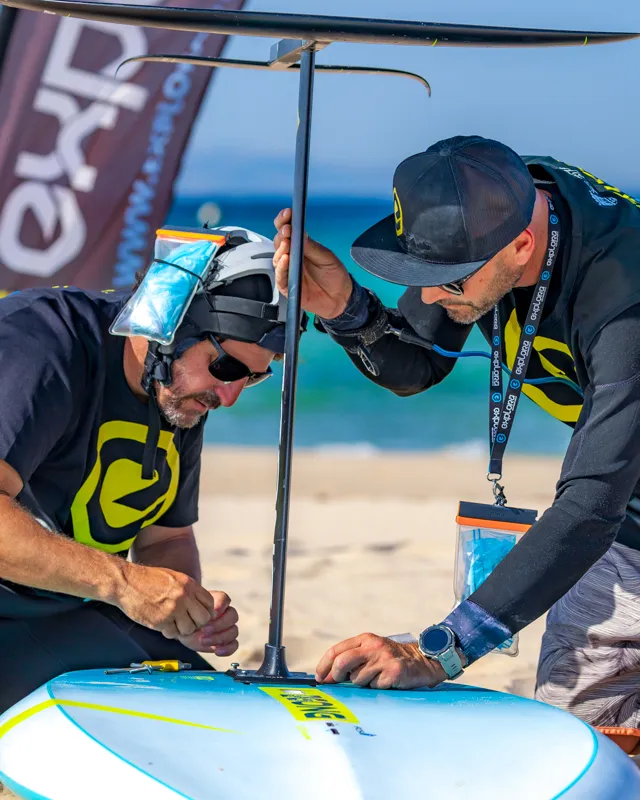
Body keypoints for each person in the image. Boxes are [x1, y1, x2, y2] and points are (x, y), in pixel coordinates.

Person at [273, 135, 640, 745]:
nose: (433, 297)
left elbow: (588, 505)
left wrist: (439, 651)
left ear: (523, 245)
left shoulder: (625, 300)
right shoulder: (483, 221)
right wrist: (345, 310)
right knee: (585, 749)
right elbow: (418, 365)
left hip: (609, 508)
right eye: (425, 277)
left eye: (449, 283)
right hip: (627, 523)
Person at [0, 226, 294, 714]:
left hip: (61, 607)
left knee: (217, 708)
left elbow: (165, 540)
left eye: (254, 376)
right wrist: (124, 584)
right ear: (168, 323)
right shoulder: (43, 342)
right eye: (225, 368)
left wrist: (184, 611)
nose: (230, 396)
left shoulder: (180, 393)